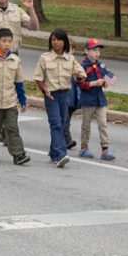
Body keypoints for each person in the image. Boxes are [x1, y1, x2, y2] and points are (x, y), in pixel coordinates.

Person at [36, 28, 81, 166]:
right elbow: (39, 78)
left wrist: (80, 75)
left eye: (59, 40)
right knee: (55, 124)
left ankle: (53, 153)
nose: (55, 42)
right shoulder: (44, 58)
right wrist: (44, 89)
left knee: (61, 124)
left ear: (64, 42)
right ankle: (61, 154)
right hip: (51, 95)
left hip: (65, 95)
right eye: (53, 40)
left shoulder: (70, 58)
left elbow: (81, 73)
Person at [0, 29, 30, 163]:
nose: (7, 44)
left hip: (10, 101)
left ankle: (18, 154)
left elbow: (19, 82)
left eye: (9, 41)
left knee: (12, 127)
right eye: (4, 41)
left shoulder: (15, 60)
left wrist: (22, 100)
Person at [73, 38, 115, 160]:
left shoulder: (101, 65)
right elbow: (81, 84)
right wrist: (95, 83)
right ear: (86, 51)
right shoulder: (82, 67)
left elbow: (110, 76)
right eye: (94, 50)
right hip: (88, 99)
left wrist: (107, 83)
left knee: (103, 124)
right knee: (86, 125)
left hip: (100, 99)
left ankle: (105, 149)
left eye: (98, 51)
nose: (97, 53)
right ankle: (84, 148)